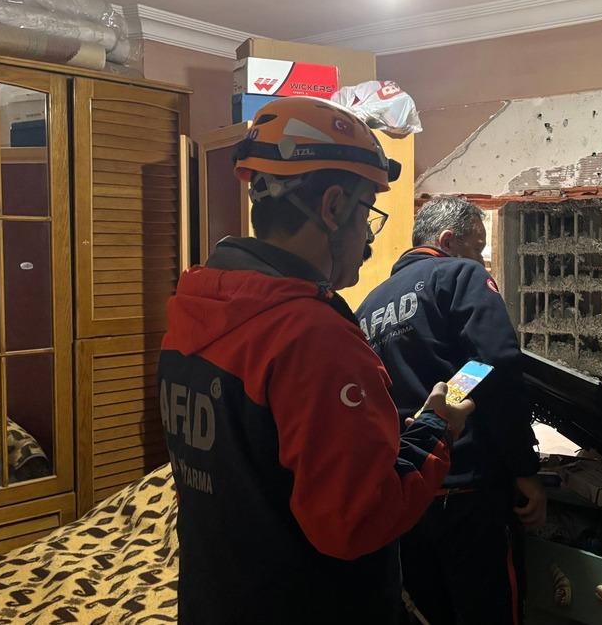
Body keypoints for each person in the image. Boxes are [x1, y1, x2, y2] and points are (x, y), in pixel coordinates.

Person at [157, 97, 474, 625]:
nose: (368, 238)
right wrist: (438, 427)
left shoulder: (194, 311)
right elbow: (359, 520)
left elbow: (258, 465)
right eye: (367, 212)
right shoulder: (312, 338)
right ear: (332, 207)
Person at [357, 196, 546, 625]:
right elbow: (491, 362)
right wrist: (523, 467)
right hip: (468, 491)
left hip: (406, 495)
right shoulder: (460, 275)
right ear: (447, 241)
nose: (480, 259)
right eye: (477, 247)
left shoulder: (368, 306)